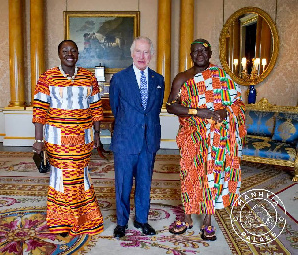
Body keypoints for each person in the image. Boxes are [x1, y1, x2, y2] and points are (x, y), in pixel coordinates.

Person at [166, 39, 246, 240]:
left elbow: (237, 103)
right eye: (195, 51)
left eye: (203, 50)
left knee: (212, 177)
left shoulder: (221, 76)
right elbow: (171, 106)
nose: (199, 54)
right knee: (190, 176)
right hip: (191, 136)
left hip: (216, 138)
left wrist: (224, 111)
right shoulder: (182, 78)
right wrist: (198, 112)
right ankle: (187, 218)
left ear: (210, 54)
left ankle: (208, 221)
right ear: (190, 55)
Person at [32, 40, 104, 237]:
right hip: (57, 140)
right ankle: (61, 221)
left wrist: (98, 134)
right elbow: (39, 110)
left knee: (80, 176)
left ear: (78, 54)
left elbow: (96, 109)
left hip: (83, 139)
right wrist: (39, 140)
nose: (69, 54)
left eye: (73, 50)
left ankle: (85, 218)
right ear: (59, 54)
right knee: (60, 178)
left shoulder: (89, 77)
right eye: (65, 51)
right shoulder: (48, 77)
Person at [109, 36, 165, 238]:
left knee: (144, 183)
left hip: (148, 140)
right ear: (132, 53)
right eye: (138, 51)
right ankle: (122, 222)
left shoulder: (158, 80)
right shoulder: (119, 78)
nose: (142, 56)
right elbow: (116, 108)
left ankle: (142, 220)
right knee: (123, 184)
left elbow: (155, 109)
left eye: (146, 52)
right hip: (125, 140)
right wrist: (130, 125)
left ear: (151, 55)